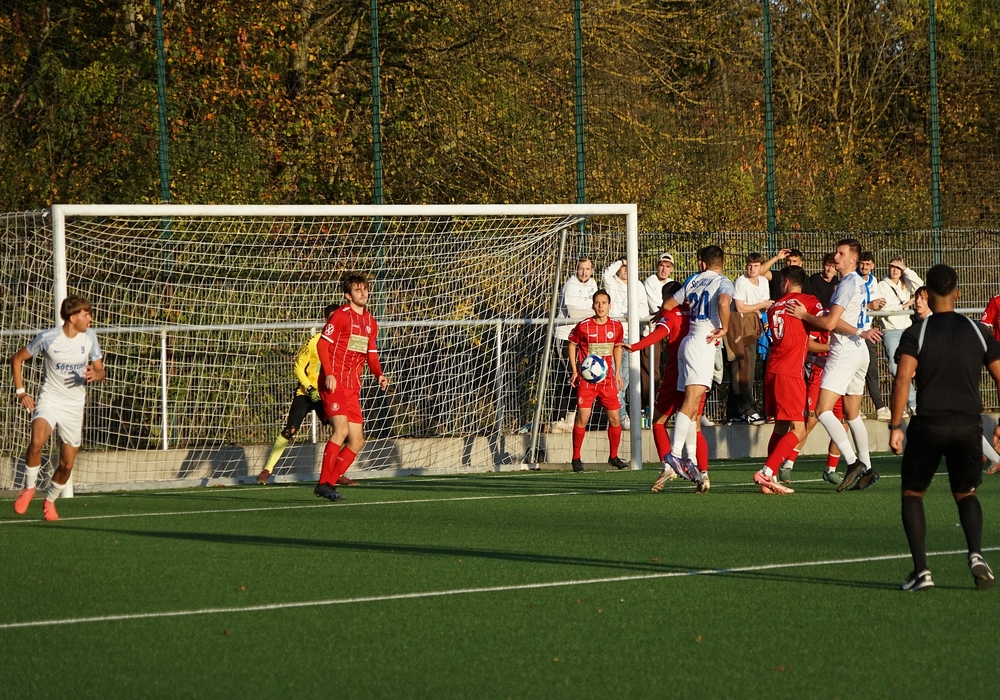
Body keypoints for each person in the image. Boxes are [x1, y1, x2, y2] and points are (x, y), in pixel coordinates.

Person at [890, 264, 1000, 591]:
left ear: (926, 293)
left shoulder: (918, 331)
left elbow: (902, 378)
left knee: (913, 493)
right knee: (966, 492)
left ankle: (922, 571)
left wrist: (895, 425)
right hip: (968, 426)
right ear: (957, 293)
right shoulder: (978, 331)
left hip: (929, 425)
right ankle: (976, 553)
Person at [788, 238, 882, 492]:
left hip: (844, 352)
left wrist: (805, 315)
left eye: (841, 253)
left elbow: (830, 324)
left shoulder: (846, 283)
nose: (836, 257)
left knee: (822, 410)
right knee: (852, 414)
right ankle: (867, 467)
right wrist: (860, 332)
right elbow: (844, 318)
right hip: (859, 351)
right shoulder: (860, 282)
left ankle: (852, 462)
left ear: (853, 259)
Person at [11, 295, 106, 521]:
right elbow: (17, 359)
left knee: (67, 464)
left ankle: (50, 501)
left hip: (74, 406)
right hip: (50, 399)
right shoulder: (48, 338)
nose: (90, 319)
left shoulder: (90, 336)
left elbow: (101, 370)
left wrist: (96, 374)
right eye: (86, 315)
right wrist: (21, 392)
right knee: (36, 441)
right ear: (72, 318)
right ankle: (29, 488)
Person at [657, 245, 734, 493]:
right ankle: (674, 455)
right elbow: (724, 302)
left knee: (691, 409)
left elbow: (669, 304)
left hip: (687, 342)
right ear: (722, 262)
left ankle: (690, 460)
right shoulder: (723, 281)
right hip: (703, 343)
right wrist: (725, 328)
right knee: (691, 403)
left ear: (703, 263)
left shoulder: (693, 279)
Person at [256, 303, 360, 486]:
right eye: (332, 318)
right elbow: (298, 367)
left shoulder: (344, 343)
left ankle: (337, 473)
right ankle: (267, 470)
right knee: (290, 430)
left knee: (344, 432)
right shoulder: (314, 341)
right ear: (326, 321)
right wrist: (310, 388)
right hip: (306, 393)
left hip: (327, 395)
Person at [624, 281, 710, 491]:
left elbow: (658, 334)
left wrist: (635, 347)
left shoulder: (670, 316)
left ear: (668, 298)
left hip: (675, 375)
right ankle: (703, 473)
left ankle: (668, 465)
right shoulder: (696, 313)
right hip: (698, 373)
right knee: (695, 424)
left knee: (658, 421)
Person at [313, 273, 389, 502]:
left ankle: (329, 482)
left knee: (357, 440)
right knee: (342, 431)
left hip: (353, 386)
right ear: (348, 295)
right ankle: (323, 483)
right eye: (357, 290)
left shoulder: (370, 322)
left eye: (365, 289)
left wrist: (379, 374)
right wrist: (329, 373)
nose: (363, 293)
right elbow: (322, 345)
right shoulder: (340, 315)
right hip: (333, 382)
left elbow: (371, 355)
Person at [911, 286, 1000, 475]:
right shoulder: (924, 323)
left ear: (931, 301)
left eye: (922, 298)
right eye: (916, 297)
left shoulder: (934, 324)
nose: (918, 301)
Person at [753, 266, 823, 495]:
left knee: (781, 426)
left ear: (785, 282)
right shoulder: (808, 301)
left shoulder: (775, 306)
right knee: (799, 429)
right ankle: (767, 471)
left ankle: (769, 479)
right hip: (790, 371)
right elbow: (827, 323)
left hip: (773, 368)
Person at [567, 290, 628, 472]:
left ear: (609, 306)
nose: (600, 306)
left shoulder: (616, 326)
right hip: (587, 382)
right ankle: (576, 458)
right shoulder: (583, 326)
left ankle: (613, 456)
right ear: (593, 305)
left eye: (604, 303)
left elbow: (617, 347)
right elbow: (572, 344)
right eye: (597, 303)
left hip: (607, 381)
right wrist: (575, 370)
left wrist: (618, 373)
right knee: (583, 418)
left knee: (615, 419)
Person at [551, 258, 598, 432]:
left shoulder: (593, 284)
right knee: (569, 376)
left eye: (587, 269)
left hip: (582, 338)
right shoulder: (571, 284)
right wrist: (593, 314)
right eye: (581, 269)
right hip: (565, 337)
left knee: (581, 376)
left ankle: (571, 417)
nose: (584, 272)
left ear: (592, 271)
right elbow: (573, 313)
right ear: (576, 270)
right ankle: (558, 418)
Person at [727, 253, 772, 424]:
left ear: (761, 267)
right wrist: (760, 306)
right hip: (741, 328)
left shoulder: (764, 282)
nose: (752, 269)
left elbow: (764, 306)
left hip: (756, 326)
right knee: (744, 369)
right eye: (749, 265)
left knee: (744, 368)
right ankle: (749, 409)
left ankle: (733, 411)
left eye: (756, 265)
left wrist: (758, 308)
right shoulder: (741, 281)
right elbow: (740, 307)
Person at [878, 256, 923, 415]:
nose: (895, 270)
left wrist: (906, 270)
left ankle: (919, 401)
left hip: (908, 329)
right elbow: (882, 309)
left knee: (918, 365)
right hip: (891, 331)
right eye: (893, 266)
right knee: (894, 366)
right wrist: (902, 306)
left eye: (898, 267)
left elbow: (921, 286)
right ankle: (913, 401)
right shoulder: (882, 285)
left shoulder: (906, 283)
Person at [858, 252, 890, 421]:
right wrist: (869, 306)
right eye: (862, 263)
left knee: (871, 369)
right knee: (855, 371)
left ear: (873, 266)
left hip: (868, 331)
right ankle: (854, 408)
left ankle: (880, 407)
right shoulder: (852, 279)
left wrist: (879, 305)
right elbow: (851, 307)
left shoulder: (873, 280)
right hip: (854, 333)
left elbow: (874, 305)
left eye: (867, 264)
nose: (864, 267)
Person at [602, 257, 632, 427]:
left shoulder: (637, 286)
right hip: (613, 339)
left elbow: (643, 307)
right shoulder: (612, 283)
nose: (626, 269)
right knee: (615, 378)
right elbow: (606, 275)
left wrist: (633, 313)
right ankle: (620, 414)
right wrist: (620, 262)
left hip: (630, 338)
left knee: (624, 381)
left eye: (629, 266)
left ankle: (618, 412)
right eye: (623, 266)